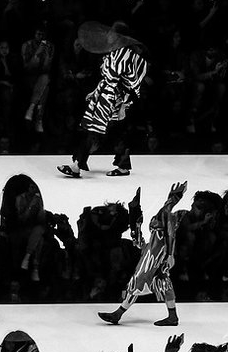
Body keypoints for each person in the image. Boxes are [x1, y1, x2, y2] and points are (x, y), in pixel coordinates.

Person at [58, 21, 148, 178]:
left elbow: (132, 83)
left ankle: (78, 165)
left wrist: (124, 105)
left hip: (114, 99)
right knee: (103, 130)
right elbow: (108, 78)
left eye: (112, 33)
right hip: (107, 96)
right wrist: (96, 92)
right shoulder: (116, 52)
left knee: (99, 130)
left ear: (119, 36)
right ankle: (83, 164)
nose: (109, 35)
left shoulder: (126, 54)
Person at [99, 182, 187, 326]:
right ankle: (172, 316)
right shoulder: (163, 220)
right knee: (162, 282)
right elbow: (156, 237)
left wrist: (170, 255)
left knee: (140, 280)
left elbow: (170, 232)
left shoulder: (167, 218)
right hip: (154, 252)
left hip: (156, 255)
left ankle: (118, 314)